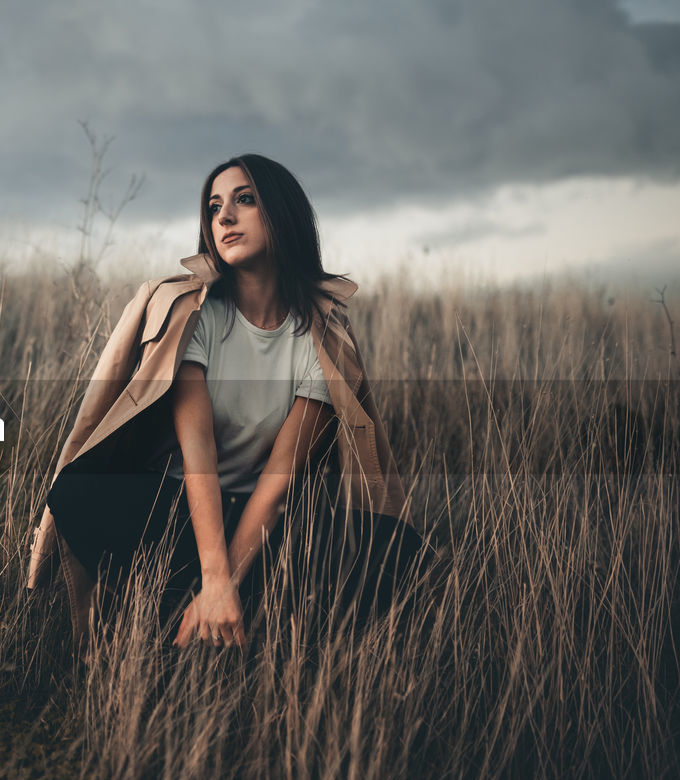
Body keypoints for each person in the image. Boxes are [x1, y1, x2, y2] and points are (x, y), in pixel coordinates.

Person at [26, 154, 423, 653]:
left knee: (397, 548)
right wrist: (214, 575)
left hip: (262, 523)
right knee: (77, 492)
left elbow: (280, 484)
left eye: (245, 200)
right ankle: (207, 613)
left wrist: (226, 580)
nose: (224, 218)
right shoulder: (198, 316)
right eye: (214, 208)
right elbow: (199, 454)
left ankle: (219, 614)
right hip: (178, 510)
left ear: (282, 213)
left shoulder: (321, 338)